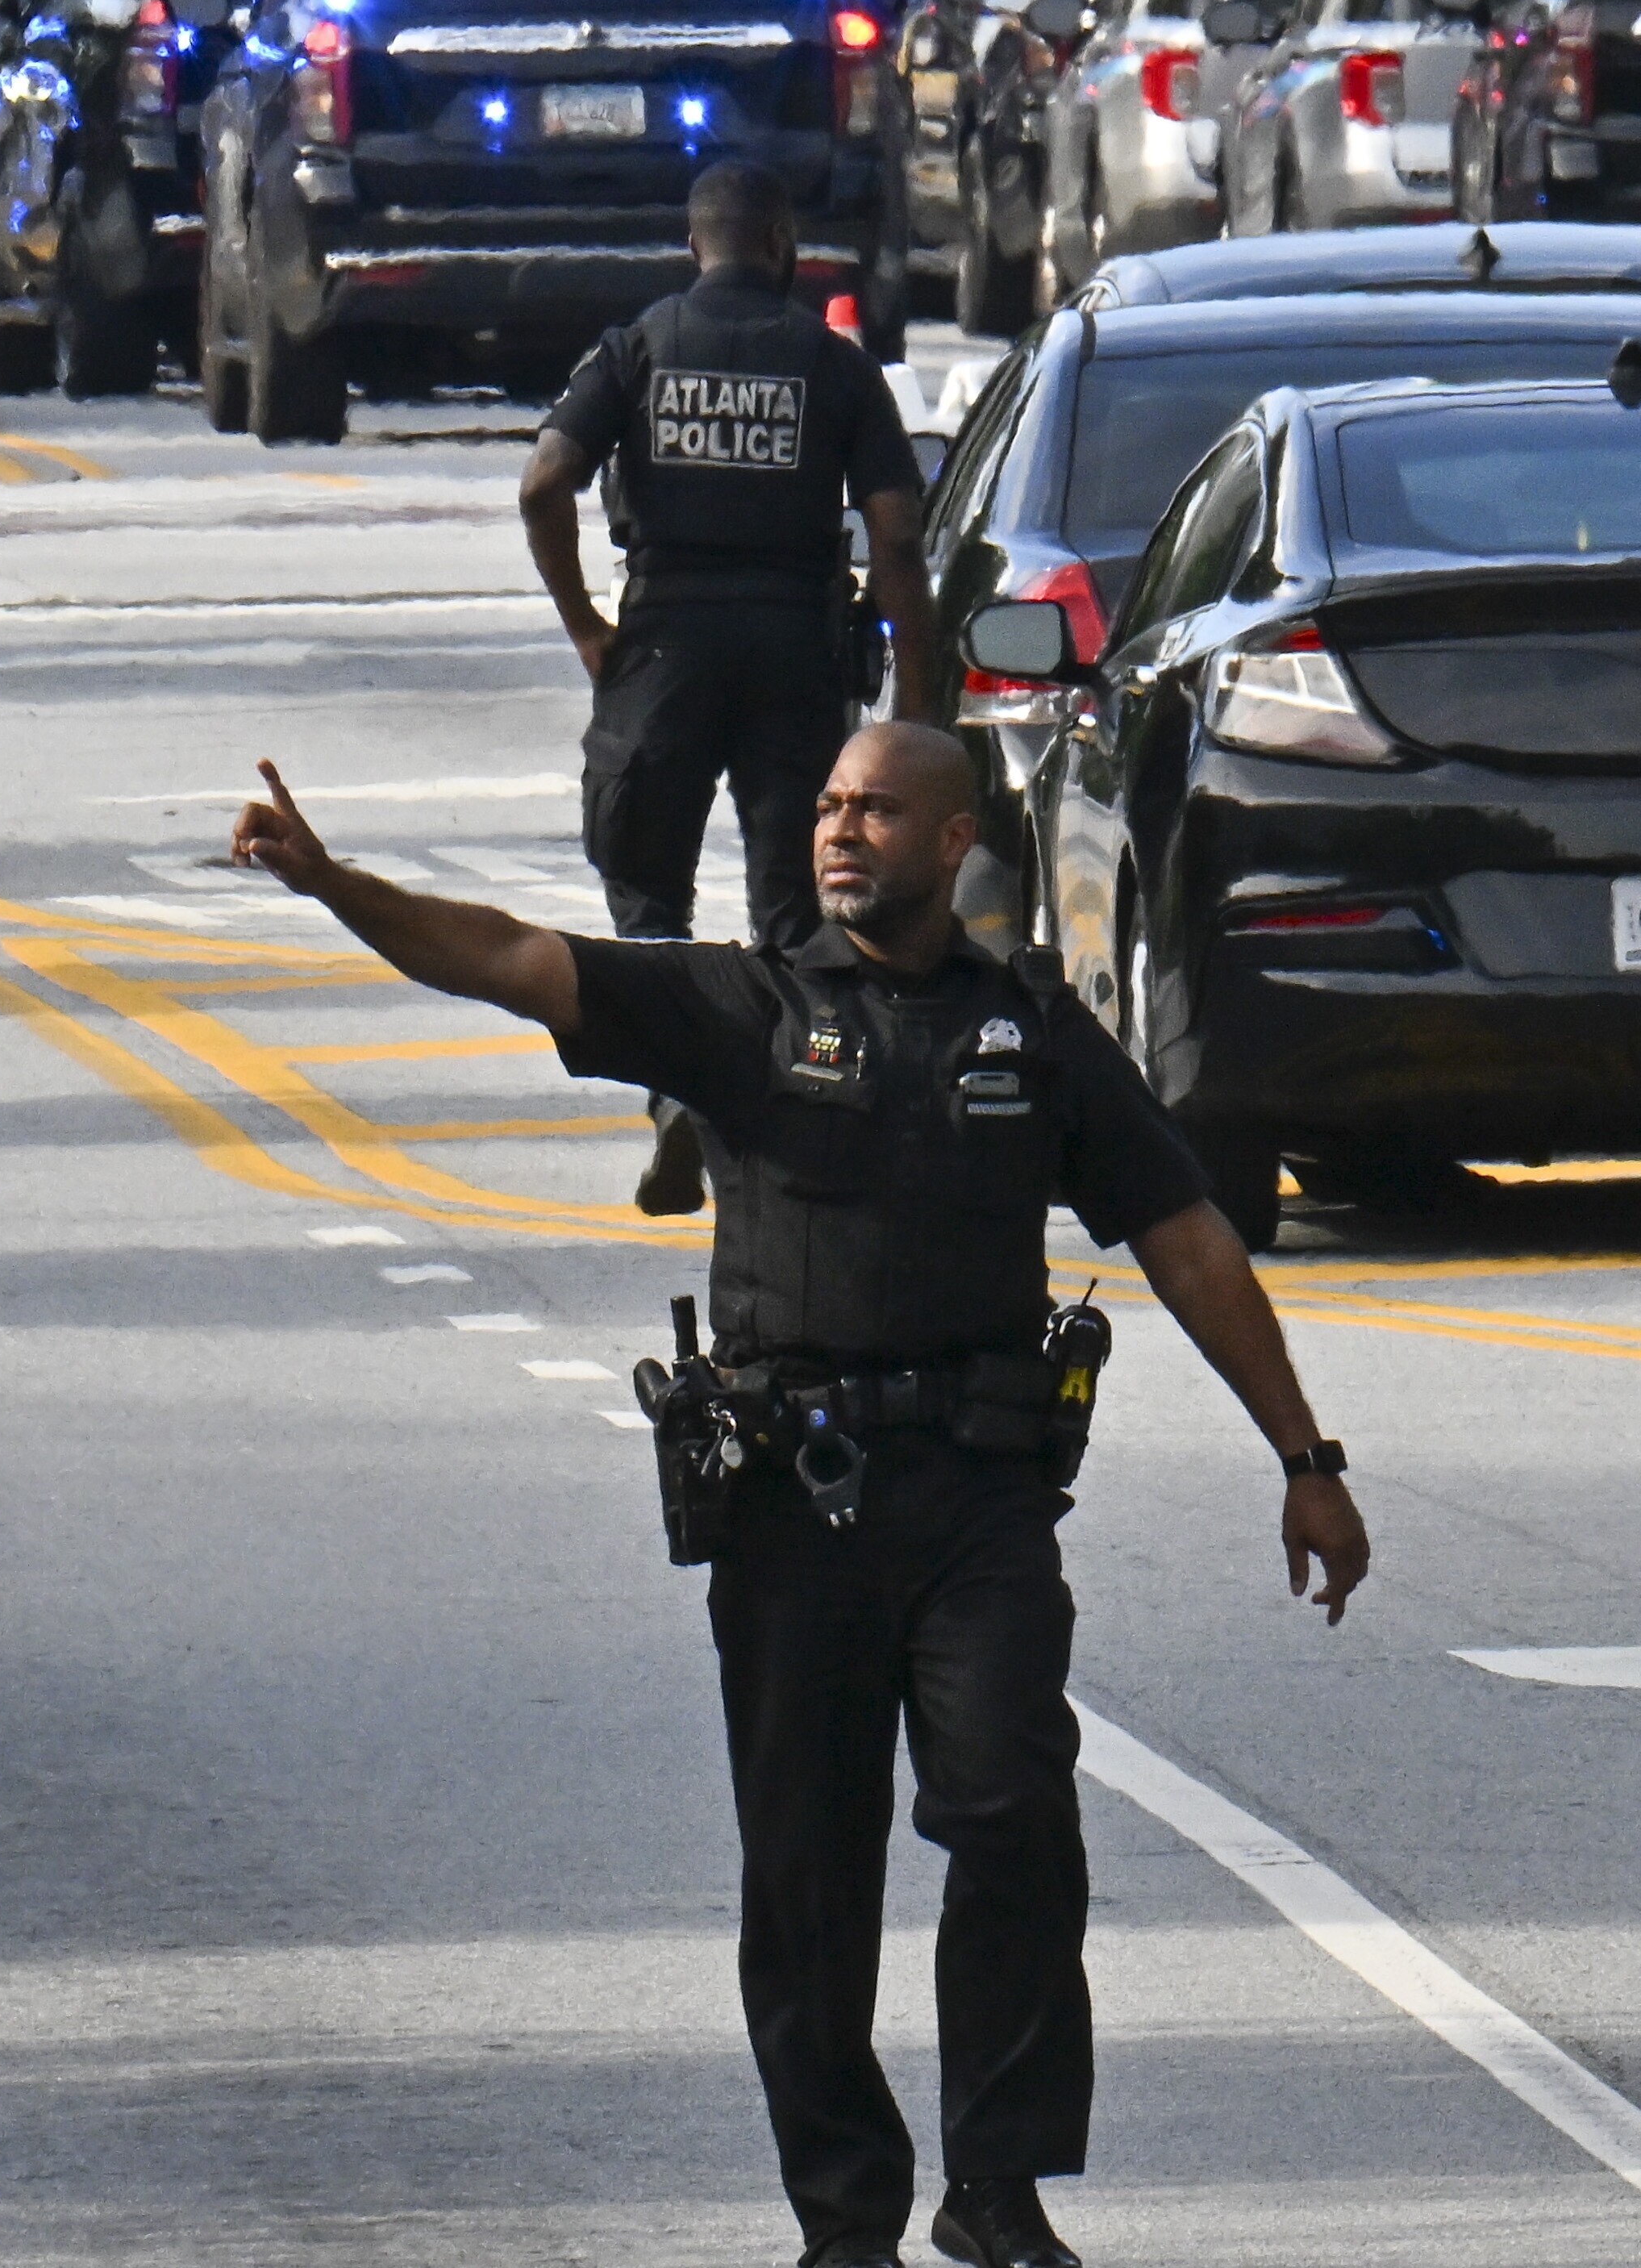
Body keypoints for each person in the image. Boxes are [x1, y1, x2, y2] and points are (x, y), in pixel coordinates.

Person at [231, 722, 1369, 2268]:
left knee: (1015, 1810)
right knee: (807, 1878)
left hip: (978, 1500)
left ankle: (998, 2188)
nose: (840, 833)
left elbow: (1185, 1238)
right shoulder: (739, 1008)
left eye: (876, 811)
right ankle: (846, 2220)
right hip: (793, 1507)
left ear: (955, 836)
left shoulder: (1027, 1031)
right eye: (826, 804)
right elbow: (502, 955)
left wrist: (1304, 1461)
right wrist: (330, 881)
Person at [522, 158, 936, 1217]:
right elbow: (895, 532)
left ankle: (674, 1088)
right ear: (785, 243)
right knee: (798, 903)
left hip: (662, 649)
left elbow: (543, 483)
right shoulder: (832, 365)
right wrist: (921, 716)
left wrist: (583, 625)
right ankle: (809, 1106)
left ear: (692, 245)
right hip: (796, 651)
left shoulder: (643, 346)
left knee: (645, 884)